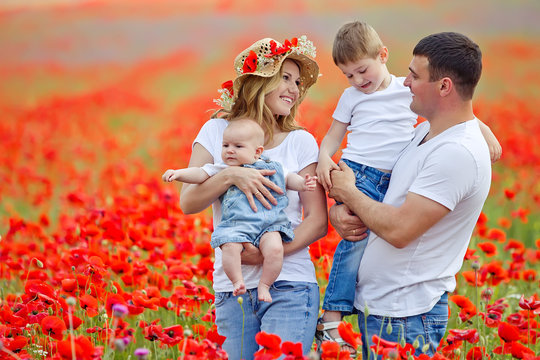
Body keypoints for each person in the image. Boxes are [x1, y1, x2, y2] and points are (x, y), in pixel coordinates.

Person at [315, 21, 501, 353]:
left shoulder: (456, 152)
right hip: (384, 308)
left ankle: (329, 318)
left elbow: (400, 229)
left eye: (414, 76)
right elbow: (385, 198)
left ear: (444, 87)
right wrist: (340, 211)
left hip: (405, 316)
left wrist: (348, 194)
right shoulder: (422, 134)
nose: (406, 82)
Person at [178, 36, 328, 359]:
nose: (294, 89)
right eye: (285, 78)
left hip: (290, 284)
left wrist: (266, 256)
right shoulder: (217, 132)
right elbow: (188, 201)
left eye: (298, 82)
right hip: (232, 288)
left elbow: (317, 222)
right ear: (260, 80)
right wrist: (231, 175)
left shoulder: (300, 142)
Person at [162, 118, 318, 303]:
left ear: (257, 151)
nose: (229, 150)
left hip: (270, 224)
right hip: (237, 225)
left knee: (275, 250)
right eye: (225, 145)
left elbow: (290, 179)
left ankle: (265, 285)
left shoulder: (272, 167)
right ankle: (237, 281)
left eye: (238, 146)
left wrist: (304, 183)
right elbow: (199, 173)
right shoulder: (223, 168)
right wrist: (178, 173)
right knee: (229, 248)